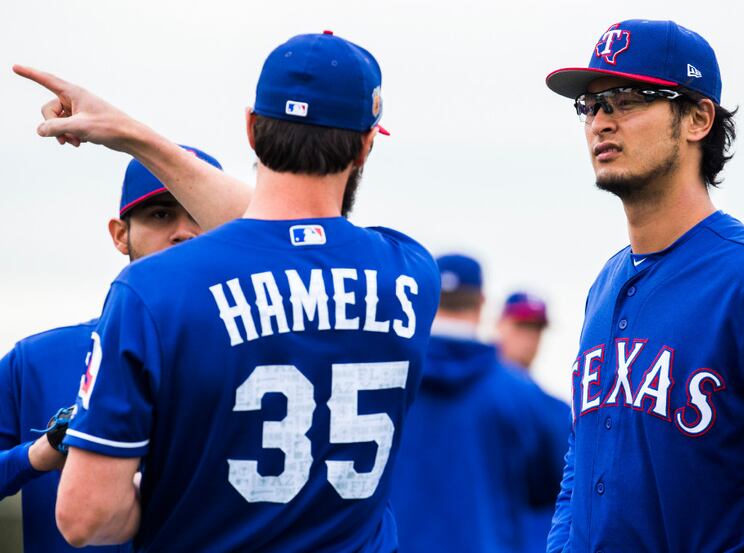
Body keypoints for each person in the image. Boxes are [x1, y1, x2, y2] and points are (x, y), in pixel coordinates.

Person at [17, 31, 440, 551]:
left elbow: (85, 519)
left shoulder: (152, 290)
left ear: (250, 129)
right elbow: (287, 237)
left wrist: (133, 136)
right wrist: (132, 136)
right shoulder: (411, 274)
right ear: (366, 144)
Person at [544, 19, 744, 553]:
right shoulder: (605, 283)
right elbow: (583, 453)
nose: (600, 121)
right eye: (591, 105)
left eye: (626, 99)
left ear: (698, 117)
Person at [0, 146, 221, 552]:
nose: (183, 232)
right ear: (121, 234)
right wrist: (35, 455)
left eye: (199, 215)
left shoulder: (265, 355)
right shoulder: (34, 361)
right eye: (160, 214)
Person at [390, 254, 570, 553]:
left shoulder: (386, 381)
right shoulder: (522, 397)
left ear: (425, 299)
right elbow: (566, 492)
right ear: (483, 303)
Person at [496, 291, 550, 370]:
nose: (530, 337)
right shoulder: (476, 373)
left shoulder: (530, 381)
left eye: (537, 328)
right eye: (523, 326)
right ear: (500, 324)